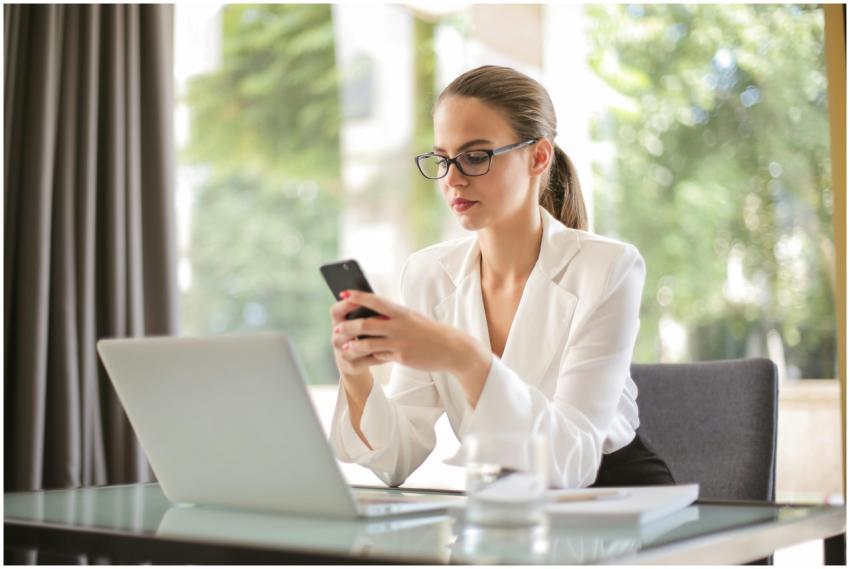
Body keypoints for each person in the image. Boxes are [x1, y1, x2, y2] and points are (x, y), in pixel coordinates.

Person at [327, 65, 674, 489]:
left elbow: (574, 462)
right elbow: (397, 459)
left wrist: (464, 357)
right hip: (505, 507)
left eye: (475, 157)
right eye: (442, 159)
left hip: (615, 500)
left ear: (538, 156)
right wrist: (356, 373)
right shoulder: (428, 274)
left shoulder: (608, 268)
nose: (453, 179)